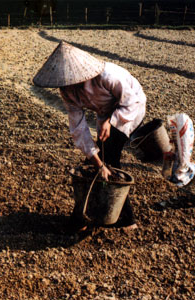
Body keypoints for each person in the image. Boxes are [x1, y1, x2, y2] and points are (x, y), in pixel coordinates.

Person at [33, 41, 146, 232]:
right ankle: (87, 215)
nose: (68, 85)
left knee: (110, 157)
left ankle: (125, 218)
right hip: (105, 114)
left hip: (130, 110)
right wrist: (97, 162)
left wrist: (111, 121)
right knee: (95, 163)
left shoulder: (107, 76)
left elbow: (132, 101)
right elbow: (78, 128)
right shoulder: (67, 92)